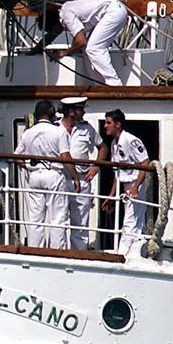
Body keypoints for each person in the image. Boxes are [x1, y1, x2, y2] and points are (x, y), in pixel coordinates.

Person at [14, 100, 78, 248]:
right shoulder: (58, 131)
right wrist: (75, 177)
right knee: (57, 217)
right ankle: (56, 251)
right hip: (54, 174)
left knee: (35, 217)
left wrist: (28, 167)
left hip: (35, 176)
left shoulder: (28, 133)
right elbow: (65, 157)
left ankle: (35, 249)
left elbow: (16, 156)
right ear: (51, 114)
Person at [48, 0, 130, 86]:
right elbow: (52, 36)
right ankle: (101, 85)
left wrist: (65, 53)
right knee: (87, 49)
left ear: (55, 25)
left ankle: (115, 84)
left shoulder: (66, 15)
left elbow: (81, 41)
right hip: (113, 11)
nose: (56, 33)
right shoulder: (65, 11)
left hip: (113, 12)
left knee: (94, 48)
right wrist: (36, 49)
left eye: (54, 30)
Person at [59, 97, 106, 250]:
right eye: (81, 109)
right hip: (59, 178)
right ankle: (57, 251)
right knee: (58, 218)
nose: (84, 112)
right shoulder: (55, 128)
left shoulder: (87, 128)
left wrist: (96, 167)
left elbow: (102, 147)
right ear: (72, 112)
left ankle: (78, 253)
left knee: (80, 221)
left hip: (82, 180)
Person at [103, 109, 150, 256]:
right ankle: (137, 251)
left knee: (131, 220)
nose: (105, 126)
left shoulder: (131, 140)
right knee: (135, 220)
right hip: (125, 185)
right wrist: (111, 196)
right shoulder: (113, 144)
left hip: (136, 184)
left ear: (118, 124)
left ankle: (122, 254)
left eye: (108, 123)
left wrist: (136, 186)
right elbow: (118, 173)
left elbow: (145, 162)